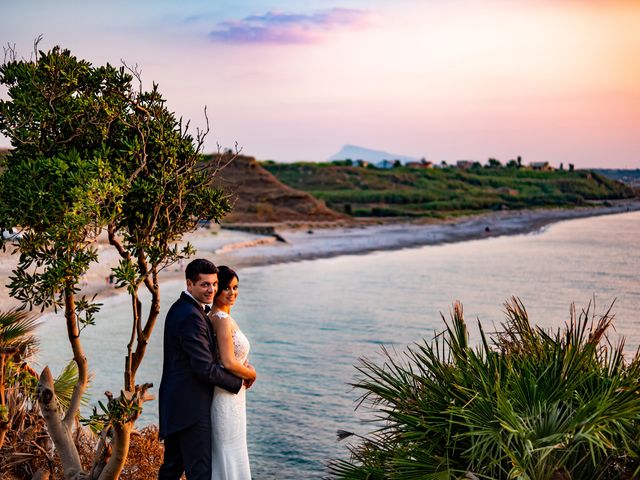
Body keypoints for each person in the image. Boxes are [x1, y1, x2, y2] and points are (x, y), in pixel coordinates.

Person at [158, 259, 243, 480]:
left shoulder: (185, 309)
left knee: (172, 468)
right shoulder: (190, 316)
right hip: (191, 409)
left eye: (214, 284)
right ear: (189, 284)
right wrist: (238, 382)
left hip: (177, 405)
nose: (211, 290)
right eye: (205, 284)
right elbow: (204, 368)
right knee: (200, 472)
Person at [209, 266, 256, 479]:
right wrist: (251, 375)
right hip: (225, 395)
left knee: (232, 447)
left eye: (235, 288)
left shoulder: (222, 317)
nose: (232, 293)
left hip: (234, 395)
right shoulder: (221, 319)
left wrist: (246, 365)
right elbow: (227, 362)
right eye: (226, 288)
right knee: (227, 449)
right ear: (217, 289)